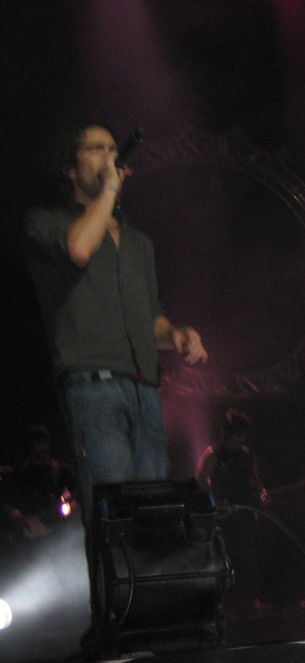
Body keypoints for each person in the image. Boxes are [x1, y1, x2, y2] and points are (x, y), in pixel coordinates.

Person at [23, 122, 208, 527]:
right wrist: (109, 189)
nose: (109, 155)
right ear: (71, 170)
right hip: (94, 388)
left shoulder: (138, 243)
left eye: (112, 149)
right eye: (95, 149)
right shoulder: (47, 222)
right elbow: (79, 248)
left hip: (145, 390)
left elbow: (152, 318)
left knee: (152, 516)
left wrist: (174, 334)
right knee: (114, 515)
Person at [196, 408, 273, 609]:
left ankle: (251, 599)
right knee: (225, 557)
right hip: (223, 515)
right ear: (228, 434)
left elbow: (255, 480)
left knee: (249, 556)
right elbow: (201, 481)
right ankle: (226, 603)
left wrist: (262, 493)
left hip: (244, 512)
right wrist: (214, 503)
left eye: (243, 435)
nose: (241, 439)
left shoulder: (247, 455)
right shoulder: (214, 454)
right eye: (238, 435)